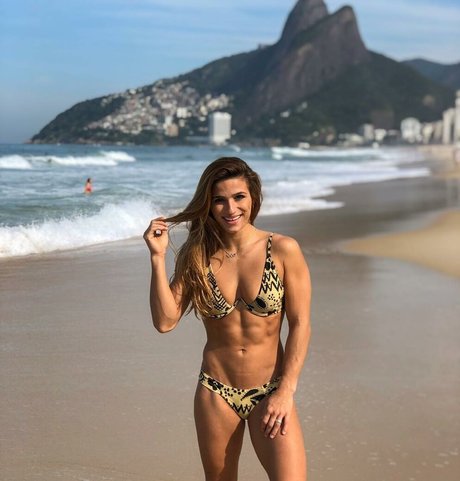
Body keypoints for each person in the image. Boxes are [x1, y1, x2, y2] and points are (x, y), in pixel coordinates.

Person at [144, 157, 311, 480]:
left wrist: (285, 391)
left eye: (239, 197)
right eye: (219, 200)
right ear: (208, 204)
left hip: (270, 390)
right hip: (216, 391)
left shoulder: (283, 250)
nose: (230, 208)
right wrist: (157, 257)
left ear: (253, 198)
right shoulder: (198, 255)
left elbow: (301, 323)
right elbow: (165, 321)